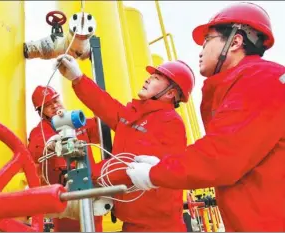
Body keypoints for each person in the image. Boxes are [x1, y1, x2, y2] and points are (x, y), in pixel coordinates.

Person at [124, 2, 285, 231]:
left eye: (207, 40)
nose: (201, 50)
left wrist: (154, 173)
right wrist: (163, 164)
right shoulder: (236, 85)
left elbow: (220, 156)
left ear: (236, 42)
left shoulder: (260, 79)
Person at [56, 55, 195, 231]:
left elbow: (130, 166)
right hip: (132, 224)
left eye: (156, 78)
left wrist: (85, 176)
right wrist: (78, 78)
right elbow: (105, 105)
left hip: (159, 227)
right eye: (151, 75)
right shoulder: (136, 115)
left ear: (170, 93)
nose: (148, 79)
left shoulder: (169, 123)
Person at [27, 85, 103, 232]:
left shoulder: (78, 121)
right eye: (48, 105)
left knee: (95, 226)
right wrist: (52, 144)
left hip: (89, 186)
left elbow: (102, 129)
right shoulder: (40, 132)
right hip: (63, 194)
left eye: (56, 100)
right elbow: (36, 151)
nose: (55, 106)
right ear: (40, 111)